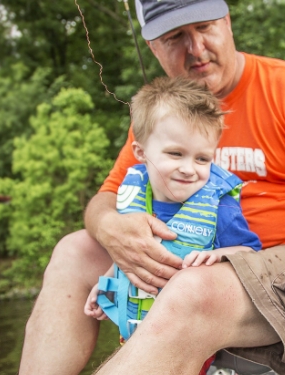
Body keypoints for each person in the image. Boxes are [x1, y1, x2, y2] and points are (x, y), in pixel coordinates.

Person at [17, 0, 285, 374]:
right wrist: (109, 228)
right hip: (194, 257)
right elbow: (105, 197)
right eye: (175, 37)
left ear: (227, 22)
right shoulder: (166, 116)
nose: (196, 48)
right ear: (153, 47)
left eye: (204, 27)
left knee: (193, 290)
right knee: (73, 250)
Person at [83, 76, 262, 332]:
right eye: (175, 154)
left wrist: (218, 254)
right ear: (141, 152)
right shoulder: (133, 194)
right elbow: (129, 255)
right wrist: (108, 283)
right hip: (138, 329)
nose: (189, 169)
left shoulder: (219, 207)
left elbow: (250, 251)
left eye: (202, 159)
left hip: (188, 337)